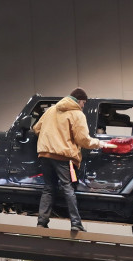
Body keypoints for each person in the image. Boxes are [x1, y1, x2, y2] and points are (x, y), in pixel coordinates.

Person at [33, 88, 116, 231]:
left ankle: (42, 222)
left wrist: (51, 137)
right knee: (67, 188)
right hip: (62, 156)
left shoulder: (51, 110)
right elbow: (83, 140)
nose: (83, 105)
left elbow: (36, 128)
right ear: (79, 100)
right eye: (83, 102)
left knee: (48, 188)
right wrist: (101, 143)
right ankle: (76, 224)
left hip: (45, 154)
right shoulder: (77, 114)